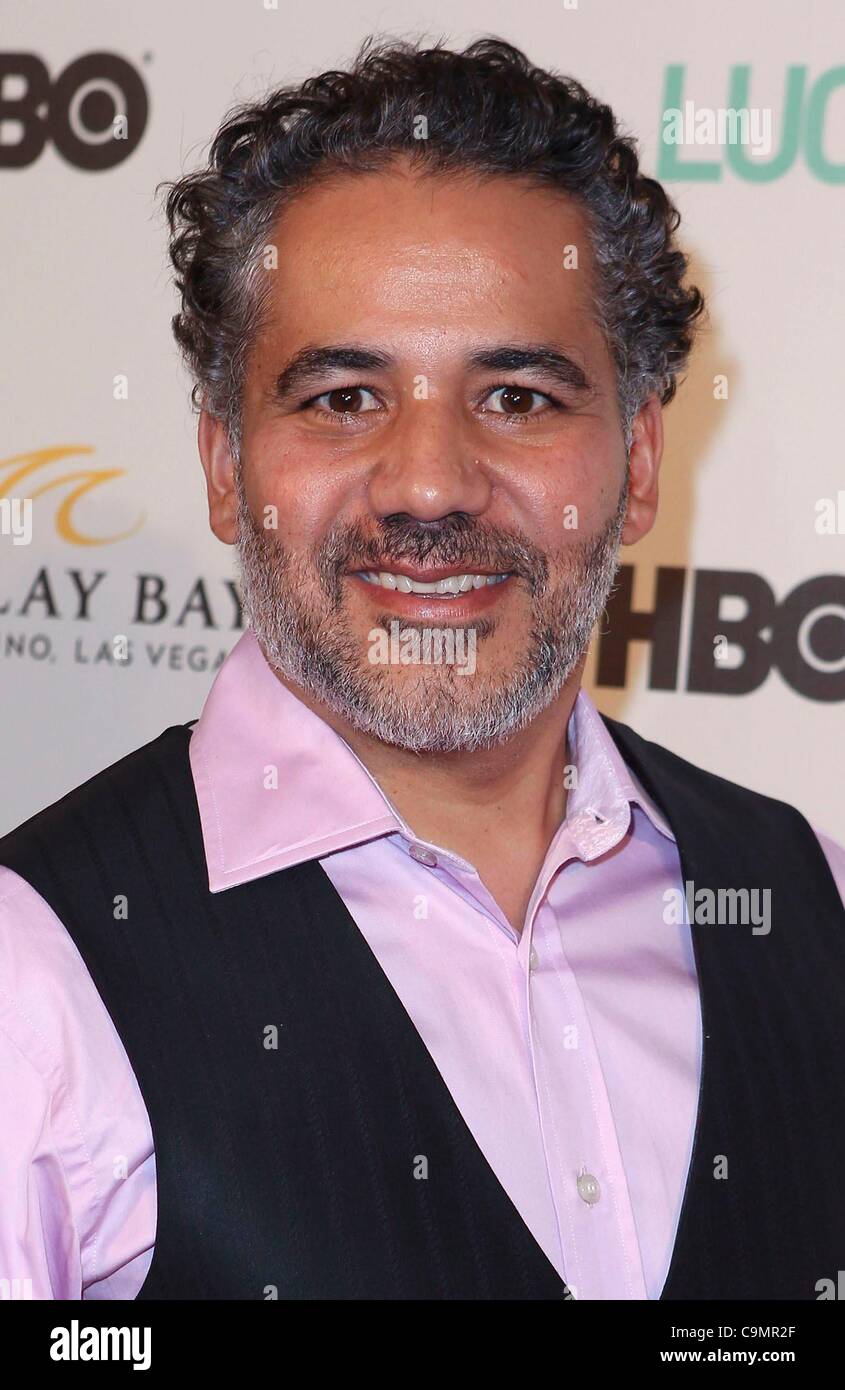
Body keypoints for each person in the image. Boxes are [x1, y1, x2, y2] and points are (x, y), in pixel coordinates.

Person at [1, 36, 843, 1302]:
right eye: (342, 397)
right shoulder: (36, 976)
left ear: (640, 461)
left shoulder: (806, 900)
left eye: (514, 396)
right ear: (228, 465)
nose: (431, 483)